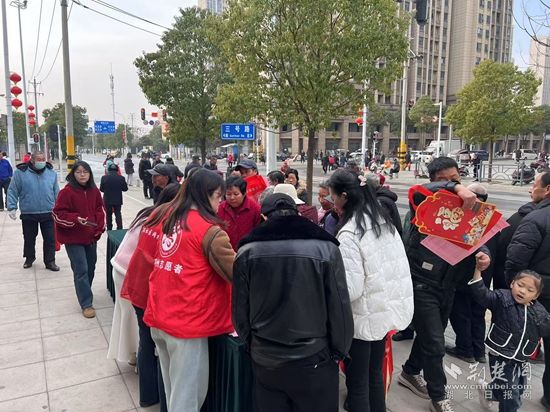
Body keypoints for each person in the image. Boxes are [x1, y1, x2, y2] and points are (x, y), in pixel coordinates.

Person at [233, 192, 353, 412]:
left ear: (264, 216)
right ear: (297, 212)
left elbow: (240, 310)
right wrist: (339, 351)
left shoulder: (247, 252)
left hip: (266, 357)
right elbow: (340, 308)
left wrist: (253, 344)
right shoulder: (326, 249)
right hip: (315, 357)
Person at [398, 157, 491, 412]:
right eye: (444, 180)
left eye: (456, 179)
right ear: (434, 181)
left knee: (431, 335)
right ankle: (438, 397)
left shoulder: (468, 206)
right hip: (422, 283)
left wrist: (484, 254)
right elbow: (418, 190)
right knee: (435, 344)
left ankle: (409, 371)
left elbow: (477, 237)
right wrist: (454, 187)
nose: (453, 185)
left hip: (449, 285)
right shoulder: (423, 201)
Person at [142, 168, 235, 411]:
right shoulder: (210, 231)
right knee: (187, 398)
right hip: (186, 324)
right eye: (218, 196)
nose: (220, 202)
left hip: (160, 315)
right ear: (205, 195)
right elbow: (238, 274)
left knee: (173, 390)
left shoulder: (173, 219)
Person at [328, 169, 413, 412]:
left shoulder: (350, 233)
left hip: (362, 320)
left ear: (344, 196)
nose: (332, 202)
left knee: (357, 384)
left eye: (333, 196)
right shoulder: (382, 223)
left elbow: (351, 289)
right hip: (382, 313)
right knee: (374, 375)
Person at [115, 183, 179, 410]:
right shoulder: (170, 225)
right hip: (150, 291)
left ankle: (147, 396)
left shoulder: (151, 216)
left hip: (137, 286)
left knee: (146, 341)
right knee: (162, 349)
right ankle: (161, 400)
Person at [470, 267, 550, 412]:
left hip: (521, 358)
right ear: (513, 283)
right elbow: (482, 294)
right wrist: (478, 271)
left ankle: (488, 392)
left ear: (536, 295)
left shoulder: (540, 312)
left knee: (519, 388)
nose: (523, 291)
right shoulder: (502, 298)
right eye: (520, 285)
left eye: (530, 290)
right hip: (500, 354)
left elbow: (546, 328)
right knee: (511, 396)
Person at [504, 170, 550, 408]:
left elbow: (515, 262)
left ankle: (508, 396)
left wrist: (516, 290)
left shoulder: (537, 219)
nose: (532, 188)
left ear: (547, 189)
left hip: (538, 298)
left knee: (519, 349)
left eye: (535, 183)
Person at [53, 161, 105, 318]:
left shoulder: (94, 191)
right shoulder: (66, 192)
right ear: (73, 174)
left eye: (85, 172)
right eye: (78, 172)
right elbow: (57, 214)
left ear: (90, 174)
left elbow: (100, 209)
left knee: (91, 267)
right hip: (73, 238)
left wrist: (99, 226)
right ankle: (86, 303)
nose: (82, 175)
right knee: (81, 269)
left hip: (91, 236)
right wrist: (75, 219)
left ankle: (84, 290)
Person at [447, 183, 491, 364]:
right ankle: (479, 351)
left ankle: (465, 349)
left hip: (464, 275)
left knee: (461, 313)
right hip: (483, 277)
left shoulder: (469, 216)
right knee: (477, 314)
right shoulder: (491, 216)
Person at [7, 151, 60, 270]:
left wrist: (60, 207)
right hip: (29, 212)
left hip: (48, 211)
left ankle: (50, 261)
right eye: (38, 159)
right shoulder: (20, 173)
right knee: (29, 238)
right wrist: (12, 207)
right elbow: (13, 190)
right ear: (32, 160)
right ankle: (29, 258)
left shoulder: (51, 173)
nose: (41, 162)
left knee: (50, 239)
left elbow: (56, 191)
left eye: (43, 159)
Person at [218, 176, 262, 251]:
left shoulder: (255, 209)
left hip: (248, 250)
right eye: (228, 194)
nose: (232, 198)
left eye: (236, 194)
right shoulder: (220, 208)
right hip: (225, 251)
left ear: (244, 193)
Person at [100, 163, 128, 231]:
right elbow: (125, 189)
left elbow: (101, 189)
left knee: (108, 214)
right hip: (118, 199)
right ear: (117, 170)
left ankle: (109, 228)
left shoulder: (104, 178)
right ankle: (119, 228)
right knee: (118, 214)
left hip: (108, 199)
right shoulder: (121, 178)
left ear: (109, 170)